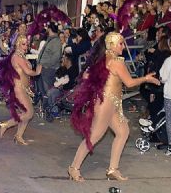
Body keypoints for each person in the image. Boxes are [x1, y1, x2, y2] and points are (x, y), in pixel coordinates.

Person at [67, 32, 160, 181]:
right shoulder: (116, 61)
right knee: (94, 136)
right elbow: (129, 83)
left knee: (123, 131)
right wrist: (146, 78)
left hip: (111, 102)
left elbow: (88, 75)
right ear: (111, 45)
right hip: (106, 103)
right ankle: (73, 168)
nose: (123, 46)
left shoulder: (104, 58)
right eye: (120, 43)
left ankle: (113, 169)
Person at [0, 34, 42, 145]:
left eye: (27, 44)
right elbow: (28, 71)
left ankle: (18, 136)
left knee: (25, 113)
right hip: (19, 88)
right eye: (23, 44)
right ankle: (6, 125)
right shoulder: (17, 56)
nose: (26, 46)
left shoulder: (21, 56)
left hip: (24, 89)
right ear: (17, 44)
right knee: (29, 113)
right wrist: (38, 70)